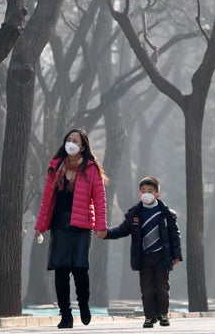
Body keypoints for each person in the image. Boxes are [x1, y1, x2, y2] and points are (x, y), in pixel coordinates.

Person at [34, 128, 108, 329]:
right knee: (61, 270)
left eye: (75, 140)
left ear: (83, 146)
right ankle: (65, 315)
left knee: (80, 269)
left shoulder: (91, 169)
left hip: (82, 226)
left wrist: (101, 225)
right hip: (59, 225)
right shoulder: (56, 167)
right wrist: (40, 225)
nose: (71, 143)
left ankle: (84, 305)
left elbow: (100, 200)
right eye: (68, 139)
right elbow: (47, 199)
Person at [103, 176, 182, 328]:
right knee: (146, 289)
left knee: (162, 288)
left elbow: (174, 234)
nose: (146, 194)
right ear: (139, 194)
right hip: (144, 256)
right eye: (143, 191)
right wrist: (105, 233)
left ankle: (163, 314)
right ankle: (149, 317)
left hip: (162, 256)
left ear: (157, 195)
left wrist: (176, 254)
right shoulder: (135, 214)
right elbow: (122, 230)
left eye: (150, 191)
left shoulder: (166, 214)